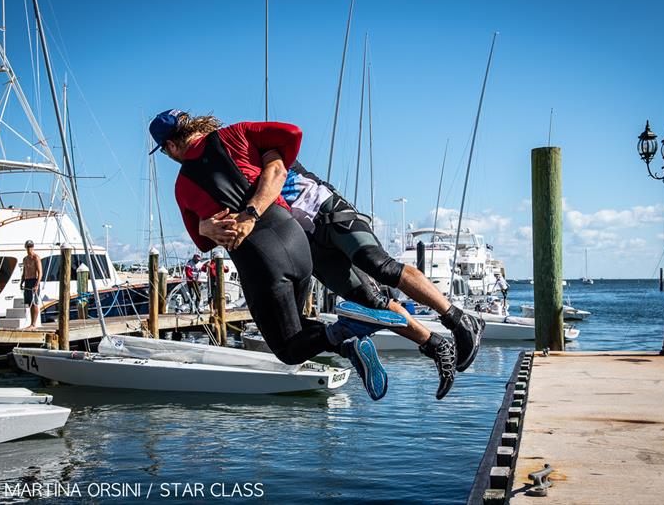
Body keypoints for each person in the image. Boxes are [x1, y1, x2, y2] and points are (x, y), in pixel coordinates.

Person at [151, 110, 390, 401]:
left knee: (288, 349)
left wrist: (207, 224)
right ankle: (349, 345)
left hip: (260, 259)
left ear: (172, 146)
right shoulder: (235, 135)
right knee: (296, 327)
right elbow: (292, 132)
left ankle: (349, 328)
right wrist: (273, 158)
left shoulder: (183, 185)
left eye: (165, 152)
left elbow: (202, 244)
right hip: (296, 241)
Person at [204, 159, 484, 399]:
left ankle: (458, 318)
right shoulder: (221, 181)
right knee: (372, 304)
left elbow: (276, 170)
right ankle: (436, 345)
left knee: (378, 265)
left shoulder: (248, 147)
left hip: (325, 211)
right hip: (307, 242)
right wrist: (207, 226)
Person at [21, 240, 42, 330]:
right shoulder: (25, 259)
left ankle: (34, 324)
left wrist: (37, 284)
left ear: (33, 247)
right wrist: (22, 281)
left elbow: (40, 272)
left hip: (34, 280)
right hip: (27, 281)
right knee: (29, 303)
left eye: (31, 246)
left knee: (35, 302)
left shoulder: (35, 257)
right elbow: (24, 271)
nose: (29, 248)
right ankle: (31, 323)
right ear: (26, 247)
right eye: (28, 246)